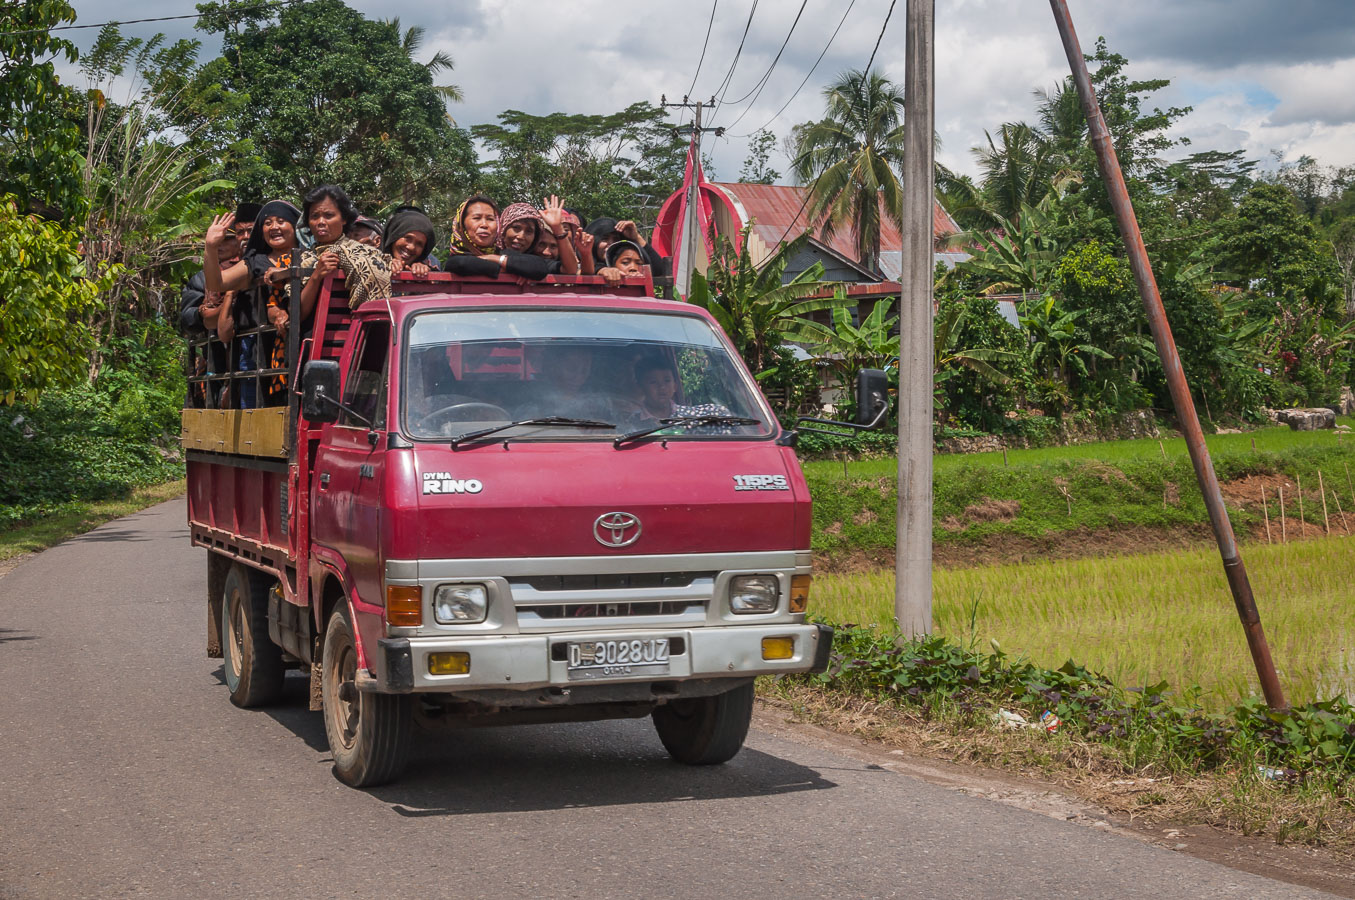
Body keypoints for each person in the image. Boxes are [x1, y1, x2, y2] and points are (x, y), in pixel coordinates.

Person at [298, 184, 391, 311]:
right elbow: (297, 315)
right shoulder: (301, 259)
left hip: (361, 328)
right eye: (314, 216)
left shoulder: (367, 253)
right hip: (313, 330)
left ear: (344, 219)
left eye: (328, 215)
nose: (320, 222)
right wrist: (316, 276)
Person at [634, 356, 731, 421]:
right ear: (641, 388)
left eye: (667, 380)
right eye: (653, 382)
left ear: (675, 386)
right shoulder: (630, 423)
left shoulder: (692, 418)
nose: (662, 387)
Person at [382, 205, 437, 277]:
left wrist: (422, 277)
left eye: (419, 244)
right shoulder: (369, 260)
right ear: (393, 236)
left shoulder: (427, 270)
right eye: (408, 238)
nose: (411, 247)